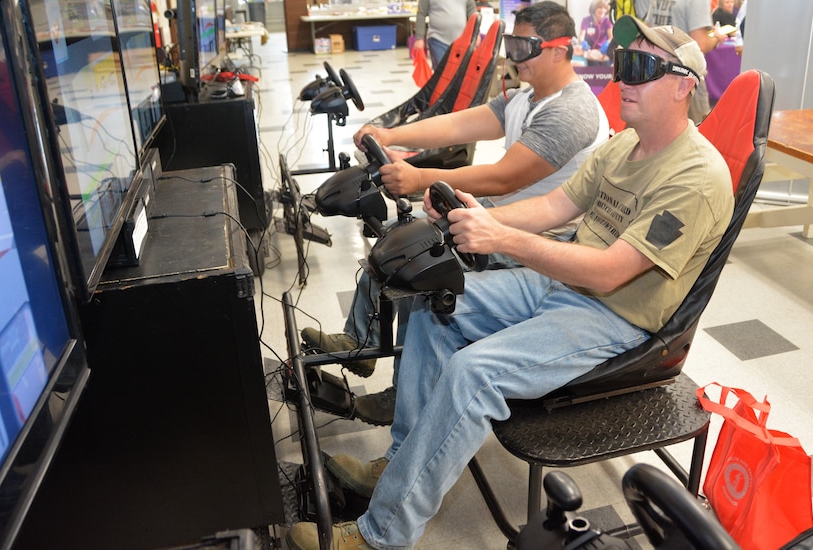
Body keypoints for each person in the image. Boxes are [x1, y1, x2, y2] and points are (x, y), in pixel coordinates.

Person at [286, 15, 733, 550]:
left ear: (685, 85)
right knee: (434, 304)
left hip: (615, 315)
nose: (623, 79)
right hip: (561, 281)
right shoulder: (625, 145)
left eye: (640, 67)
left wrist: (501, 240)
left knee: (474, 374)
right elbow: (552, 205)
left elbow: (613, 271)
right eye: (622, 65)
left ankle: (383, 535)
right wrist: (488, 219)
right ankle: (401, 464)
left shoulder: (697, 178)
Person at [301, 1, 610, 426]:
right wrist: (389, 133)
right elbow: (459, 124)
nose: (513, 58)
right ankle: (361, 339)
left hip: (542, 239)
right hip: (500, 217)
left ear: (560, 50)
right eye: (512, 45)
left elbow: (505, 178)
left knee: (419, 260)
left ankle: (401, 395)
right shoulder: (526, 97)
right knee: (399, 238)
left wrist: (418, 177)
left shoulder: (571, 111)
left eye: (525, 47)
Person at [636, 0, 732, 123]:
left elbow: (649, 30)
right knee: (699, 131)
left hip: (657, 74)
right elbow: (701, 44)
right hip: (687, 77)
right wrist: (717, 39)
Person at [413, 0, 477, 70]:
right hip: (437, 40)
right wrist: (419, 38)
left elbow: (473, 13)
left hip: (461, 42)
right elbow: (421, 14)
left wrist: (476, 33)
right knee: (442, 73)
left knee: (458, 73)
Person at [579, 0, 613, 65]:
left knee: (607, 68)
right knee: (594, 66)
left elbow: (611, 37)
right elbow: (581, 36)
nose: (603, 10)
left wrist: (607, 43)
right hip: (590, 51)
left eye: (605, 8)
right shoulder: (586, 20)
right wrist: (583, 42)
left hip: (603, 51)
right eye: (600, 7)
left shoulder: (607, 21)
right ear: (594, 8)